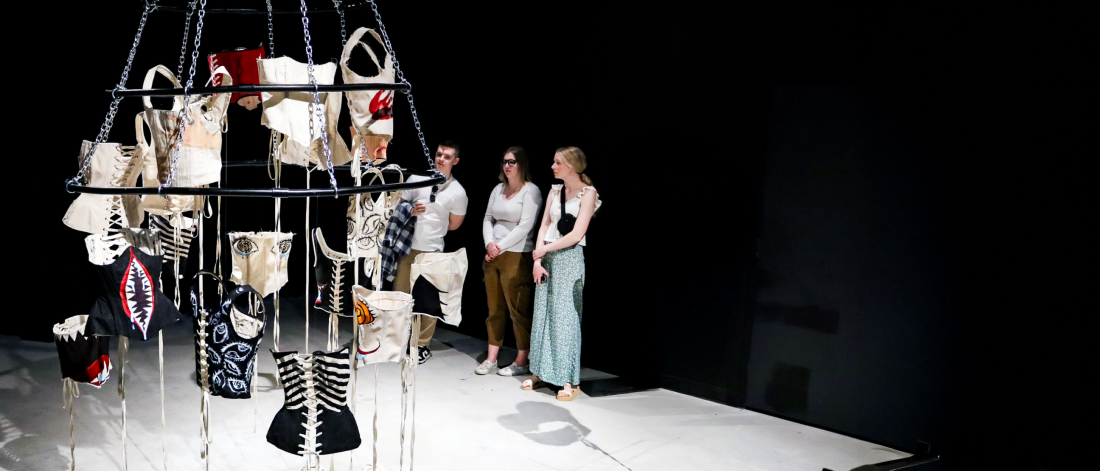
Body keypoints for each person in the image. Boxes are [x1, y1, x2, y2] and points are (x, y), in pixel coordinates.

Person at [524, 147, 601, 401]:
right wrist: (538, 258)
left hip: (569, 258)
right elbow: (545, 224)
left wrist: (543, 249)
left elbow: (577, 234)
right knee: (543, 313)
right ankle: (539, 371)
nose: (553, 166)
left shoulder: (588, 194)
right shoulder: (555, 190)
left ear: (571, 165)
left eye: (558, 163)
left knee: (565, 318)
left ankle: (567, 379)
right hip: (546, 255)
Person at [393, 140, 468, 364]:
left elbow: (454, 224)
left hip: (433, 251)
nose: (441, 159)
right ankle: (399, 340)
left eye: (446, 156)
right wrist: (411, 210)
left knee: (427, 302)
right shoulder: (418, 178)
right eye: (438, 154)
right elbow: (397, 202)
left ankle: (422, 345)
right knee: (401, 296)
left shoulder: (457, 191)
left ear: (455, 161)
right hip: (408, 247)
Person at [476, 147, 543, 376]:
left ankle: (522, 360)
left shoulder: (531, 191)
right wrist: (489, 244)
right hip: (493, 254)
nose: (507, 166)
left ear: (522, 165)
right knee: (494, 309)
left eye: (512, 162)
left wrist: (499, 247)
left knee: (518, 310)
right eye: (505, 161)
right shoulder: (498, 189)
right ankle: (491, 358)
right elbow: (487, 218)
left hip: (517, 255)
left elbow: (525, 226)